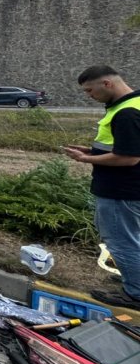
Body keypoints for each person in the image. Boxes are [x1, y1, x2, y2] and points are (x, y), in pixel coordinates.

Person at [65, 65, 140, 308]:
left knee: (122, 241)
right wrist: (93, 150)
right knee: (129, 239)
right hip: (128, 188)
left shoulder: (127, 112)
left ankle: (135, 294)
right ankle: (134, 280)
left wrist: (85, 159)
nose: (89, 96)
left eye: (90, 91)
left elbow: (128, 157)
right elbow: (121, 146)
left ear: (106, 84)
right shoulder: (132, 104)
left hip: (122, 190)